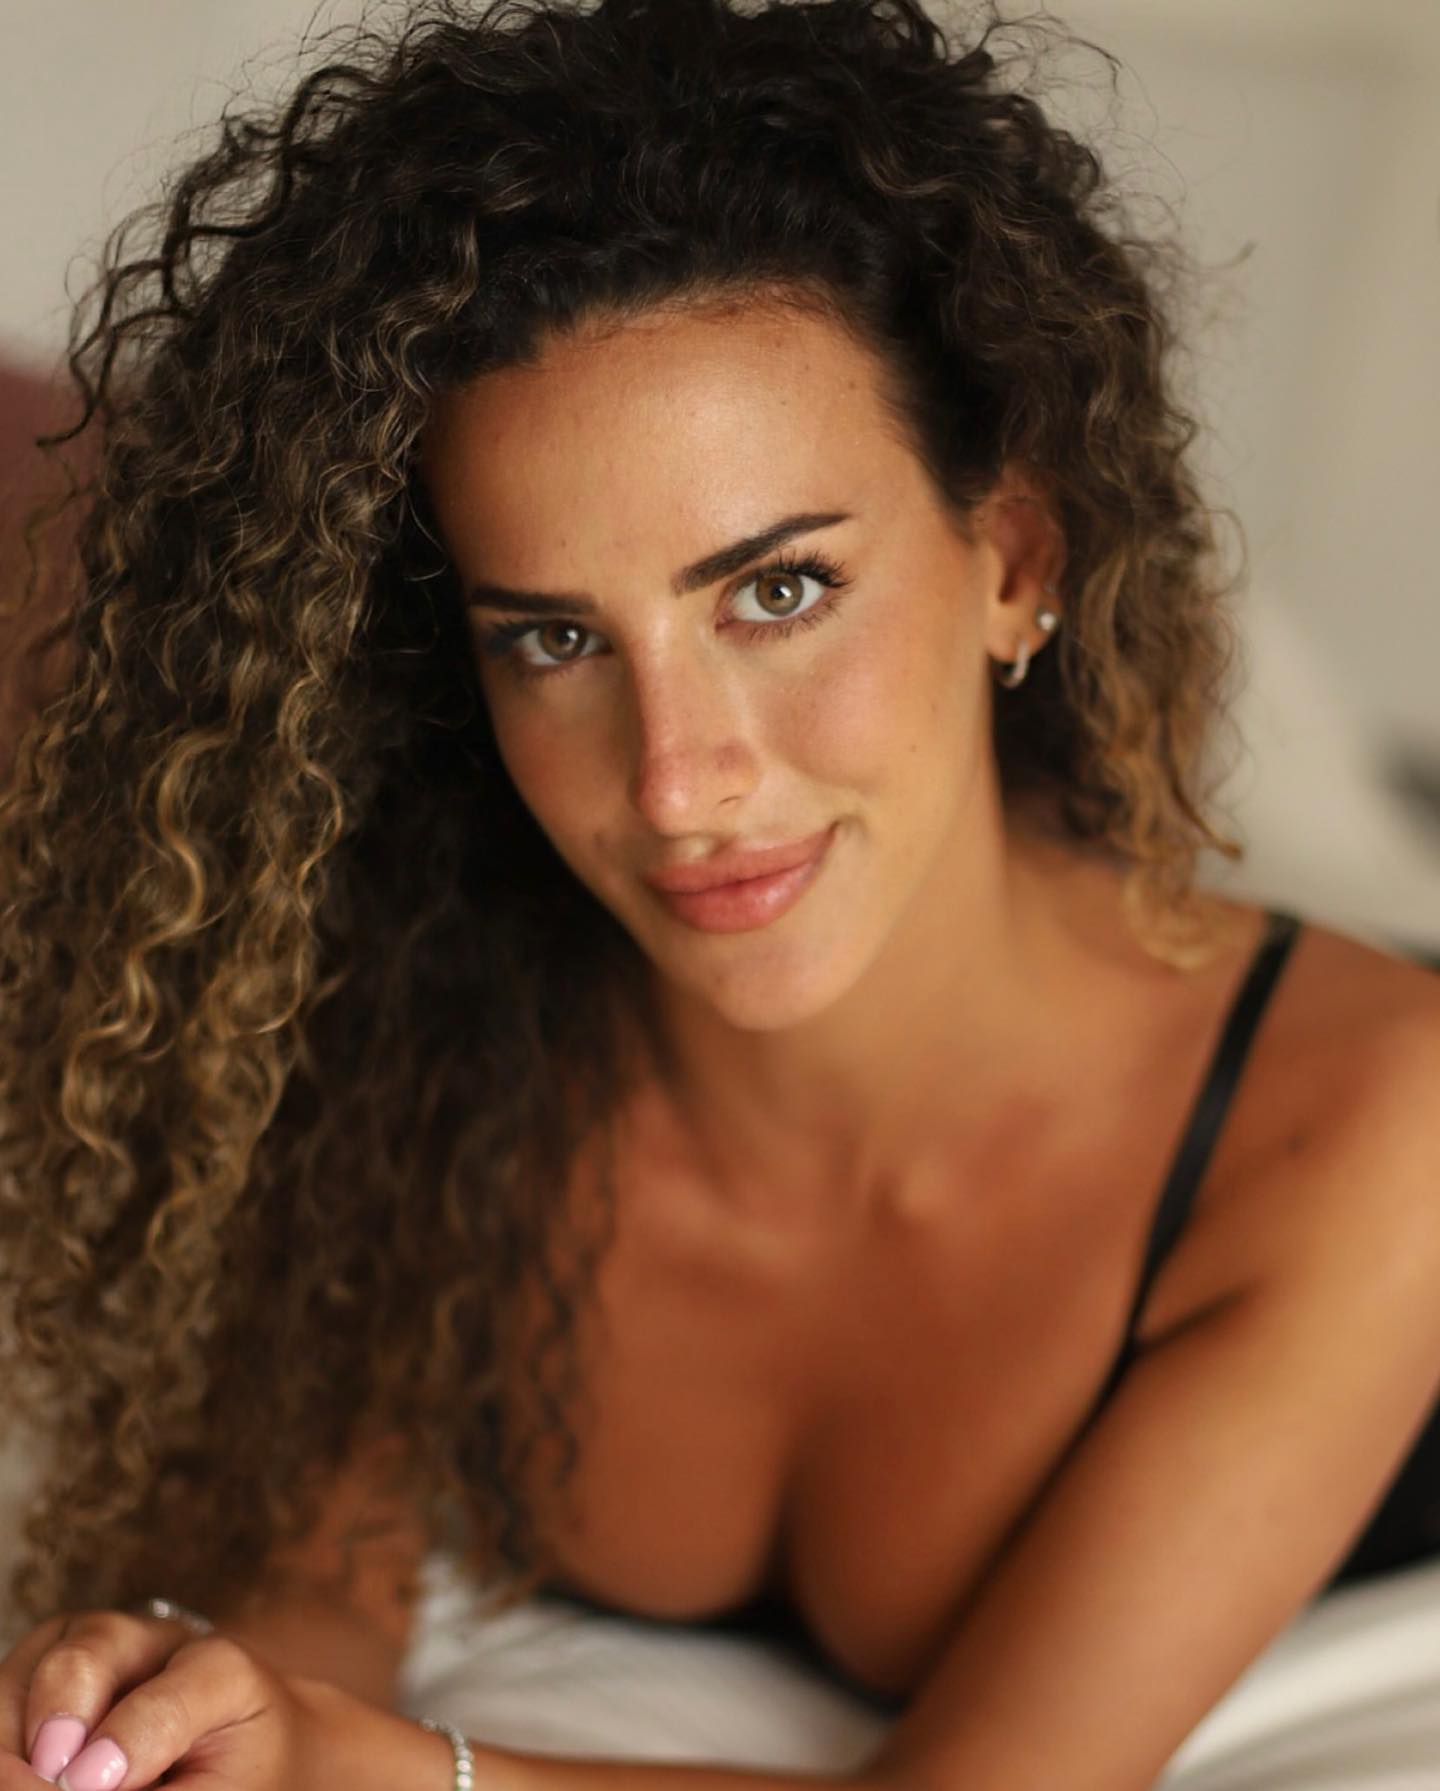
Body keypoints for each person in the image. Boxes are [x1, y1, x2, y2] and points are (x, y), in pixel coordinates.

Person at [1, 0, 1437, 1786]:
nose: (678, 784)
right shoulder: (425, 1029)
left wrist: (399, 1771)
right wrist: (176, 1711)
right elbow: (311, 1594)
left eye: (777, 592)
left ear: (1016, 559)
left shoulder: (1367, 1128)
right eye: (554, 640)